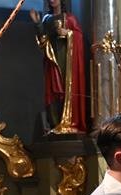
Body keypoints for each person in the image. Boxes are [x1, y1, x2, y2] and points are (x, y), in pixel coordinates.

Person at [30, 0, 86, 133]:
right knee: (52, 91)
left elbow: (79, 36)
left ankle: (68, 121)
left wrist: (68, 33)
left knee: (66, 89)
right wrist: (37, 23)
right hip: (51, 60)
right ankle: (55, 124)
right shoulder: (46, 19)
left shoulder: (70, 18)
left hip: (67, 61)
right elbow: (43, 40)